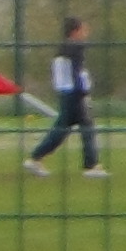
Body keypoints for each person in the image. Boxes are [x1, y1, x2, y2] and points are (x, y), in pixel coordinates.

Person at [25, 15, 105, 177]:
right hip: (74, 93)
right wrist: (82, 91)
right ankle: (91, 166)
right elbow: (76, 72)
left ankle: (36, 158)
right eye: (84, 29)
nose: (86, 33)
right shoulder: (75, 48)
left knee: (63, 129)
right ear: (75, 31)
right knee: (84, 128)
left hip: (66, 92)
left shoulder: (62, 48)